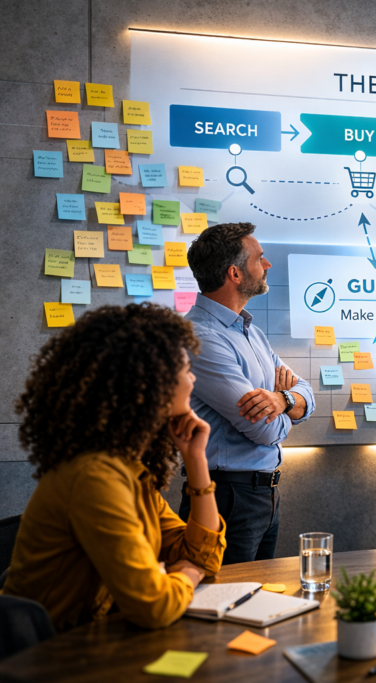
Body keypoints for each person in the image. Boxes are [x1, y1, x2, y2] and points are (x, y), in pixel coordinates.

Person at [1, 304, 225, 632]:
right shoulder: (95, 477)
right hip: (44, 660)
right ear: (150, 383)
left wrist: (196, 459)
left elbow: (202, 556)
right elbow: (156, 606)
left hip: (92, 643)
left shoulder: (129, 469)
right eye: (185, 369)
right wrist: (188, 574)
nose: (192, 378)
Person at [180, 223, 315, 564]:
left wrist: (282, 400)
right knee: (222, 606)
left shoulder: (250, 332)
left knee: (256, 599)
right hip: (225, 496)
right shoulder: (201, 338)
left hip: (263, 495)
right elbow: (263, 429)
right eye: (260, 258)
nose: (267, 265)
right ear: (235, 273)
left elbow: (306, 392)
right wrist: (288, 408)